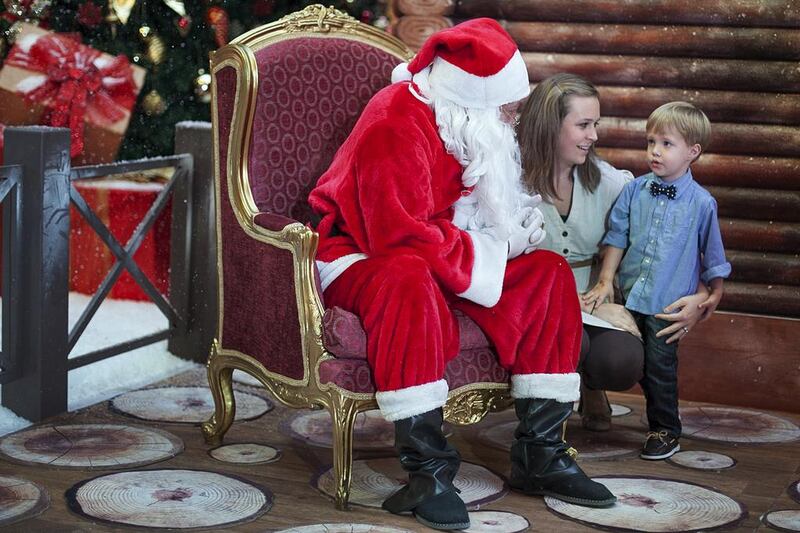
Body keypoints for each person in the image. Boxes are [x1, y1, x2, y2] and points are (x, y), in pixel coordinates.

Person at [309, 19, 615, 532]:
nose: (512, 115)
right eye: (506, 105)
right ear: (472, 96)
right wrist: (492, 247)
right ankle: (427, 472)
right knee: (408, 278)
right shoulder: (395, 121)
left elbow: (468, 201)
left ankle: (541, 456)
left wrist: (515, 226)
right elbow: (398, 235)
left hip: (441, 251)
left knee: (547, 274)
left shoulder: (465, 119)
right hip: (363, 256)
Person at [517, 74, 713, 433]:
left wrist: (701, 296)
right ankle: (541, 431)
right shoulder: (510, 183)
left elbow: (665, 243)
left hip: (595, 301)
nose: (594, 135)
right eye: (584, 125)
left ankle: (593, 383)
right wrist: (576, 305)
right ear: (549, 127)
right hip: (533, 302)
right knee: (565, 343)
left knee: (622, 361)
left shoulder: (613, 184)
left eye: (597, 124)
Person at [583, 101, 730, 460]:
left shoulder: (701, 204)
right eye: (651, 142)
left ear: (692, 152)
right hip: (630, 296)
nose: (655, 151)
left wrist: (714, 295)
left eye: (667, 144)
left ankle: (665, 429)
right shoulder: (634, 191)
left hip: (668, 304)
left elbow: (713, 256)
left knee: (661, 366)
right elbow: (617, 237)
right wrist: (605, 281)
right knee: (639, 362)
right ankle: (605, 402)